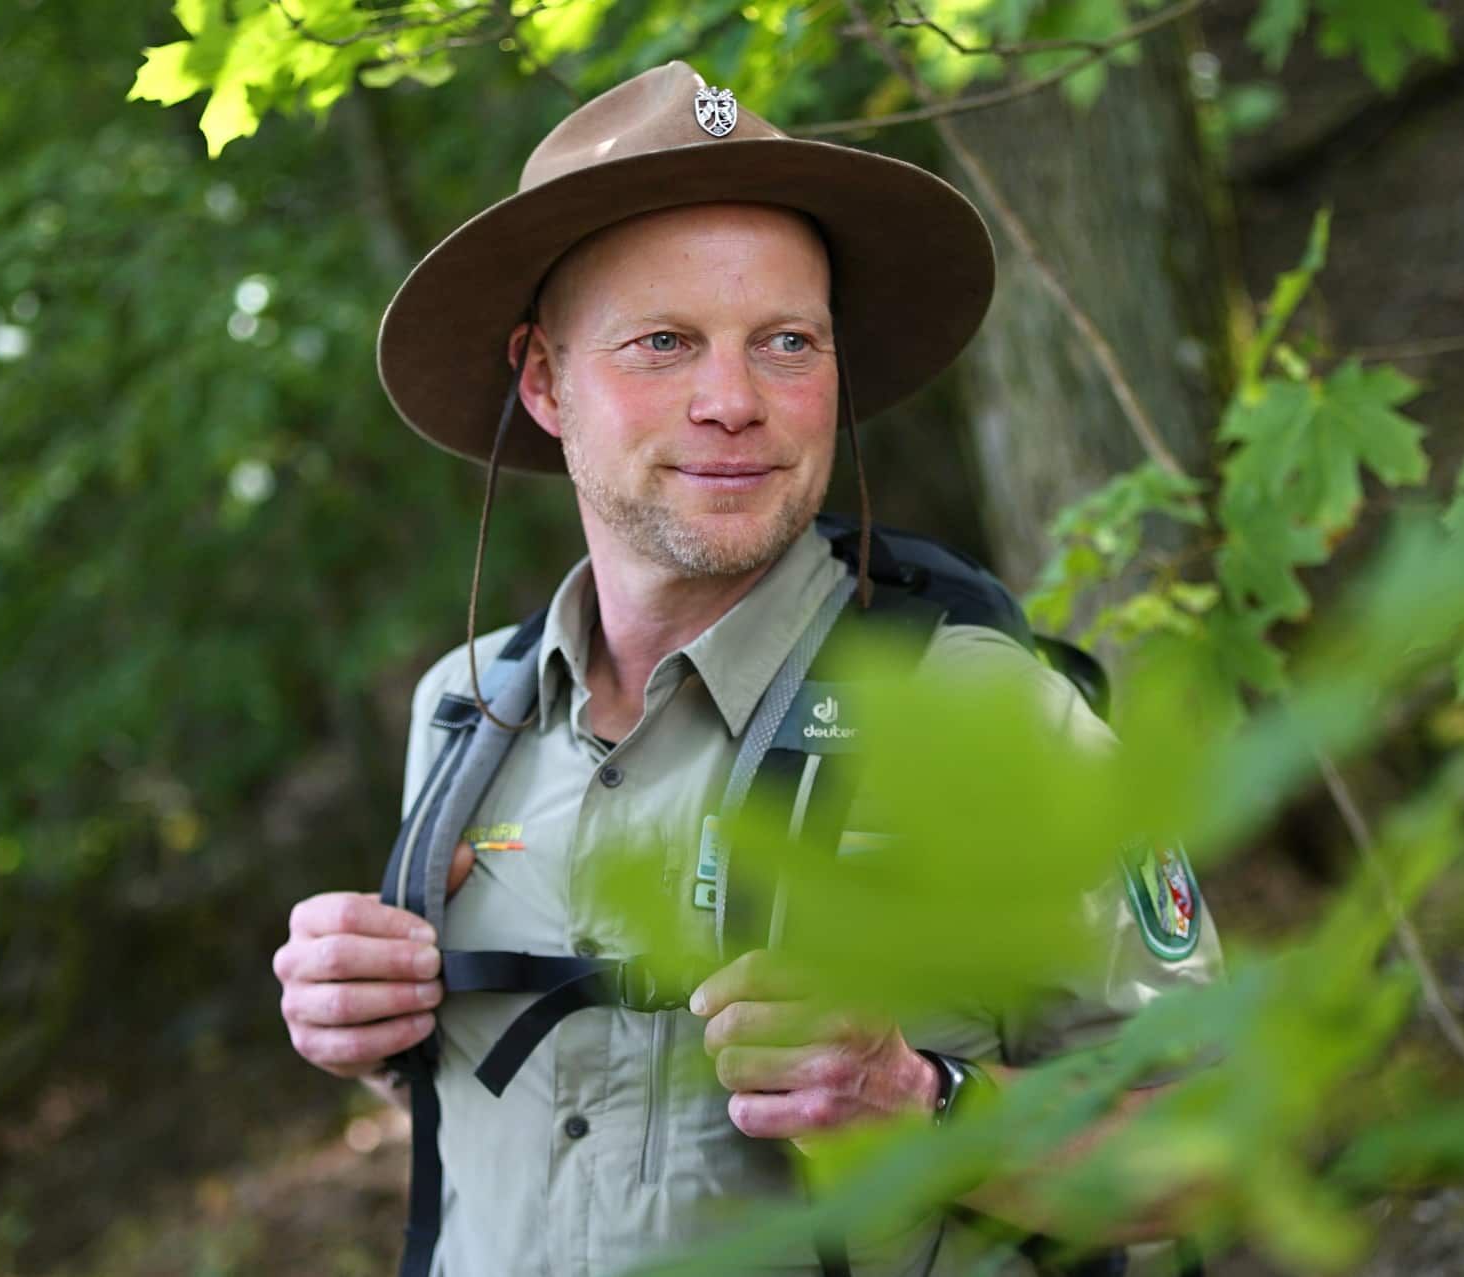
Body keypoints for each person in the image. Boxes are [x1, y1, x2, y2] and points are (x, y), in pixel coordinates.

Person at [271, 61, 1222, 1276]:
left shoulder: (986, 713)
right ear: (545, 380)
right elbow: (550, 1137)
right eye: (664, 343)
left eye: (787, 341)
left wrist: (917, 1099)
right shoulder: (464, 713)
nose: (736, 401)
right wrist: (369, 1029)